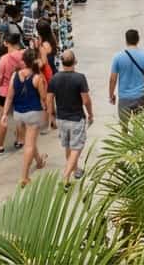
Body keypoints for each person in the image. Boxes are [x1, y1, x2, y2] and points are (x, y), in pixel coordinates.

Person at [0, 47, 48, 187]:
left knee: (30, 140)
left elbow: (9, 97)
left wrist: (4, 115)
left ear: (23, 61)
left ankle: (39, 161)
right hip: (33, 114)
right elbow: (43, 98)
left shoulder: (15, 76)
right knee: (29, 144)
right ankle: (24, 177)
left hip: (18, 114)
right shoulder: (37, 78)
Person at [48, 50, 92, 186]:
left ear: (62, 62)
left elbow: (49, 99)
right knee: (76, 147)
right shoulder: (80, 78)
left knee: (68, 146)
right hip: (76, 118)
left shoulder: (54, 78)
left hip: (61, 119)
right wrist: (90, 114)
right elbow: (86, 100)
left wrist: (51, 117)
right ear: (75, 61)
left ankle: (75, 169)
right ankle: (66, 177)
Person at [0, 32, 26, 155]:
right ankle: (20, 140)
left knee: (3, 118)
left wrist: (0, 81)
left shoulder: (4, 59)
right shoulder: (25, 54)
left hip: (5, 92)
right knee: (20, 116)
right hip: (21, 90)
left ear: (6, 43)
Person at [109, 29, 144, 123]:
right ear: (138, 40)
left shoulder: (117, 57)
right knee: (139, 128)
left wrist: (111, 95)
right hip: (141, 97)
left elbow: (112, 79)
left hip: (124, 98)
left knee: (124, 128)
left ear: (126, 41)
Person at [33, 19, 60, 132]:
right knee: (51, 98)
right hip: (53, 70)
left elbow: (43, 61)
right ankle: (53, 121)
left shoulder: (43, 45)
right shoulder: (52, 40)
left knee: (46, 99)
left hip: (46, 73)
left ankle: (50, 123)